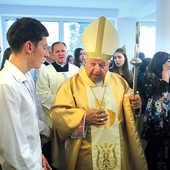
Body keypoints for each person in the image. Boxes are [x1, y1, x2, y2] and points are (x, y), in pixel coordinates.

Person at [50, 16, 147, 170]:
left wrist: (135, 103)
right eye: (93, 64)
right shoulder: (71, 85)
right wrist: (83, 117)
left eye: (102, 65)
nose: (97, 69)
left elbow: (130, 104)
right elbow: (57, 114)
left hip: (118, 149)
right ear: (84, 61)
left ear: (109, 63)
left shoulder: (119, 82)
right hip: (85, 153)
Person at [0, 17, 52, 170]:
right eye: (45, 47)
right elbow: (14, 151)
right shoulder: (6, 85)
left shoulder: (26, 76)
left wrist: (38, 155)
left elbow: (28, 125)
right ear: (29, 47)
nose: (47, 54)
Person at [36, 41, 79, 167]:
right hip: (54, 117)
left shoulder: (76, 70)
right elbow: (42, 94)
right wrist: (64, 101)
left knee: (72, 151)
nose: (61, 53)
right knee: (56, 153)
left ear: (67, 52)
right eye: (57, 51)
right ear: (52, 54)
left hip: (73, 116)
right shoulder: (45, 71)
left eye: (63, 51)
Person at [141, 52, 170, 170]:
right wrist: (165, 71)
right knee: (153, 143)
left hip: (164, 112)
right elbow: (163, 89)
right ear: (161, 62)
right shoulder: (150, 75)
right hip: (155, 114)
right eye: (168, 61)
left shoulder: (165, 74)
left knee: (162, 143)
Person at [136, 58, 151, 136]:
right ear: (147, 67)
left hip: (142, 104)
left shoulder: (139, 75)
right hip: (144, 104)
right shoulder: (145, 78)